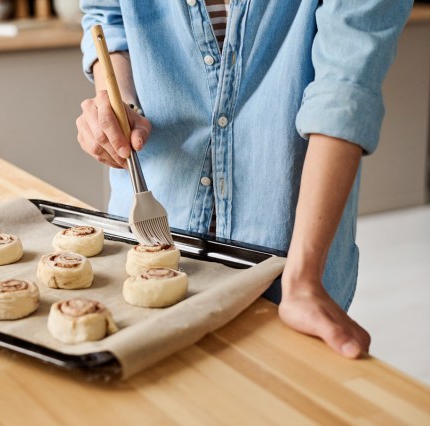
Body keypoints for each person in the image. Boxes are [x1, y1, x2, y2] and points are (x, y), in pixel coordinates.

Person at [75, 1, 413, 358]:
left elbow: (344, 92)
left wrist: (303, 281)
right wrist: (120, 103)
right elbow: (108, 18)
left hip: (288, 261)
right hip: (145, 239)